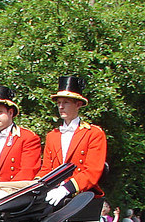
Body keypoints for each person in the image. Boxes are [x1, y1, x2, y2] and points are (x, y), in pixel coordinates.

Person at [35, 75, 108, 206]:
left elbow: (93, 171)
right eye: (59, 103)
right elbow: (46, 169)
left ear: (78, 104)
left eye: (66, 102)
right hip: (53, 192)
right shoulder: (52, 135)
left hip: (80, 193)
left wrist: (66, 189)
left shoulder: (93, 133)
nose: (61, 107)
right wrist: (36, 187)